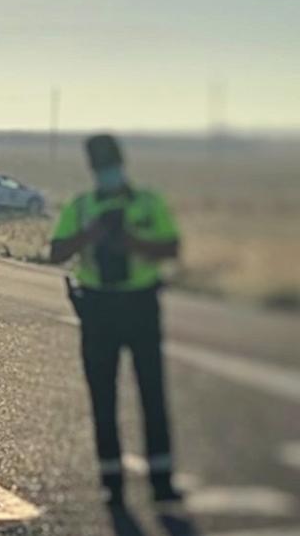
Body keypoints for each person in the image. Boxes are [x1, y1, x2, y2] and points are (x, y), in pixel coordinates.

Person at [50, 134, 182, 507]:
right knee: (102, 397)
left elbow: (171, 247)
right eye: (101, 165)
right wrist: (89, 235)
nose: (107, 171)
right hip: (99, 308)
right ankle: (112, 482)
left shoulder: (147, 203)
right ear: (93, 169)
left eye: (110, 164)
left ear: (121, 164)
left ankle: (162, 482)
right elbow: (56, 252)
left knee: (152, 393)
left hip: (140, 305)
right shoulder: (82, 207)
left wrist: (131, 242)